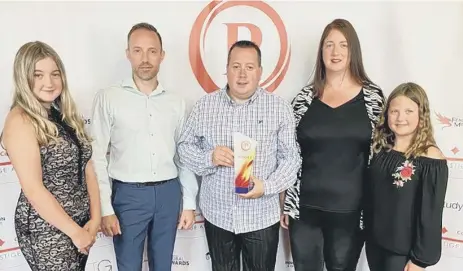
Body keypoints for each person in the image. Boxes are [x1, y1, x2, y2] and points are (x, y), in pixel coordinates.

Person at [177, 40, 301, 271]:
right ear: (227, 69)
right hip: (218, 214)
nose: (242, 74)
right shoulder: (205, 106)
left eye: (249, 67)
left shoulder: (278, 108)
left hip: (261, 216)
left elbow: (291, 159)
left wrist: (266, 186)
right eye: (236, 67)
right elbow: (184, 147)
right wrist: (209, 158)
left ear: (260, 72)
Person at [90, 22, 198, 271]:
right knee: (128, 266)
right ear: (128, 54)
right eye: (137, 51)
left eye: (152, 51)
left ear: (162, 55)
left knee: (163, 267)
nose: (145, 58)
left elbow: (184, 156)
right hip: (128, 196)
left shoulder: (176, 102)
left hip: (169, 195)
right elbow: (97, 157)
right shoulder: (109, 98)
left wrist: (189, 203)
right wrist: (105, 208)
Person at [281, 18, 385, 271]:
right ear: (321, 52)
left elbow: (382, 155)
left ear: (353, 52)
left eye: (343, 45)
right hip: (305, 212)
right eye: (329, 45)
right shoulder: (303, 100)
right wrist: (286, 202)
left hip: (351, 214)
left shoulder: (373, 98)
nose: (335, 52)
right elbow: (289, 154)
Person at [0, 41, 100, 270]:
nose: (49, 82)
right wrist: (75, 233)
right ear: (23, 78)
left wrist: (94, 220)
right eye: (38, 75)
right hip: (47, 230)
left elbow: (87, 168)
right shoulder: (20, 120)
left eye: (55, 74)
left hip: (80, 225)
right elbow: (33, 189)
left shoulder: (61, 114)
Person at [364, 82, 448, 271]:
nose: (400, 118)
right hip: (375, 246)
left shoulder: (430, 158)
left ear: (421, 114)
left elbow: (430, 215)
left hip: (402, 254)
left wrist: (420, 260)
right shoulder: (381, 150)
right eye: (394, 111)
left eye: (409, 111)